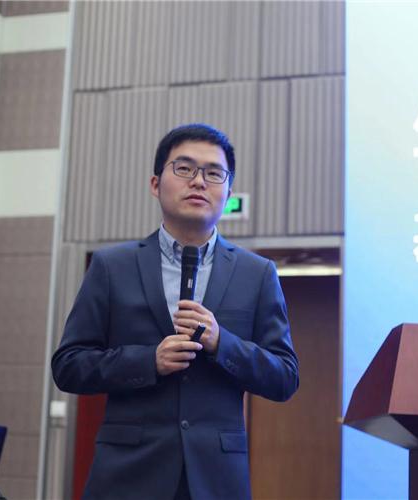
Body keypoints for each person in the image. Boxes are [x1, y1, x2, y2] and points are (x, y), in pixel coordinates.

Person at [52, 123, 299, 500]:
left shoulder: (257, 273)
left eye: (214, 173)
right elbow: (68, 365)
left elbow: (284, 377)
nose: (199, 181)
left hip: (216, 481)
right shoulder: (112, 266)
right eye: (184, 168)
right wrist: (147, 361)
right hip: (127, 476)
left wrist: (221, 343)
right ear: (156, 184)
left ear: (228, 192)